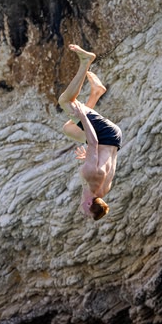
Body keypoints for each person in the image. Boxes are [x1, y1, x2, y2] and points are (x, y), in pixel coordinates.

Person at [57, 44, 122, 221]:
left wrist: (91, 156)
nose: (82, 213)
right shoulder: (89, 174)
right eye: (86, 214)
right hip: (104, 135)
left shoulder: (102, 191)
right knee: (65, 101)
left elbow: (107, 162)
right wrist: (83, 117)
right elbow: (93, 142)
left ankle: (96, 93)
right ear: (88, 204)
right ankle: (86, 61)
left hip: (112, 140)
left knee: (68, 129)